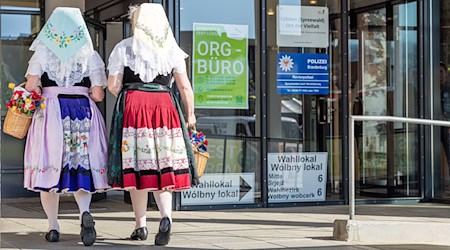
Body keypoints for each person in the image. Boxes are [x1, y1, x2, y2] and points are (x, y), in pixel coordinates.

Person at [107, 3, 198, 246]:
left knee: (138, 166)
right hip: (164, 106)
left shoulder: (124, 48)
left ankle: (141, 225)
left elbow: (113, 85)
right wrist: (190, 115)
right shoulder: (172, 50)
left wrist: (130, 96)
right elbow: (185, 87)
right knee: (163, 165)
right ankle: (166, 217)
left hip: (135, 107)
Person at [23, 7, 109, 246]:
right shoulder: (90, 55)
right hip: (82, 110)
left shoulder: (43, 52)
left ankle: (53, 226)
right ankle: (84, 213)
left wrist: (41, 89)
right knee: (81, 162)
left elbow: (30, 86)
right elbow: (99, 95)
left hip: (52, 111)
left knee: (49, 163)